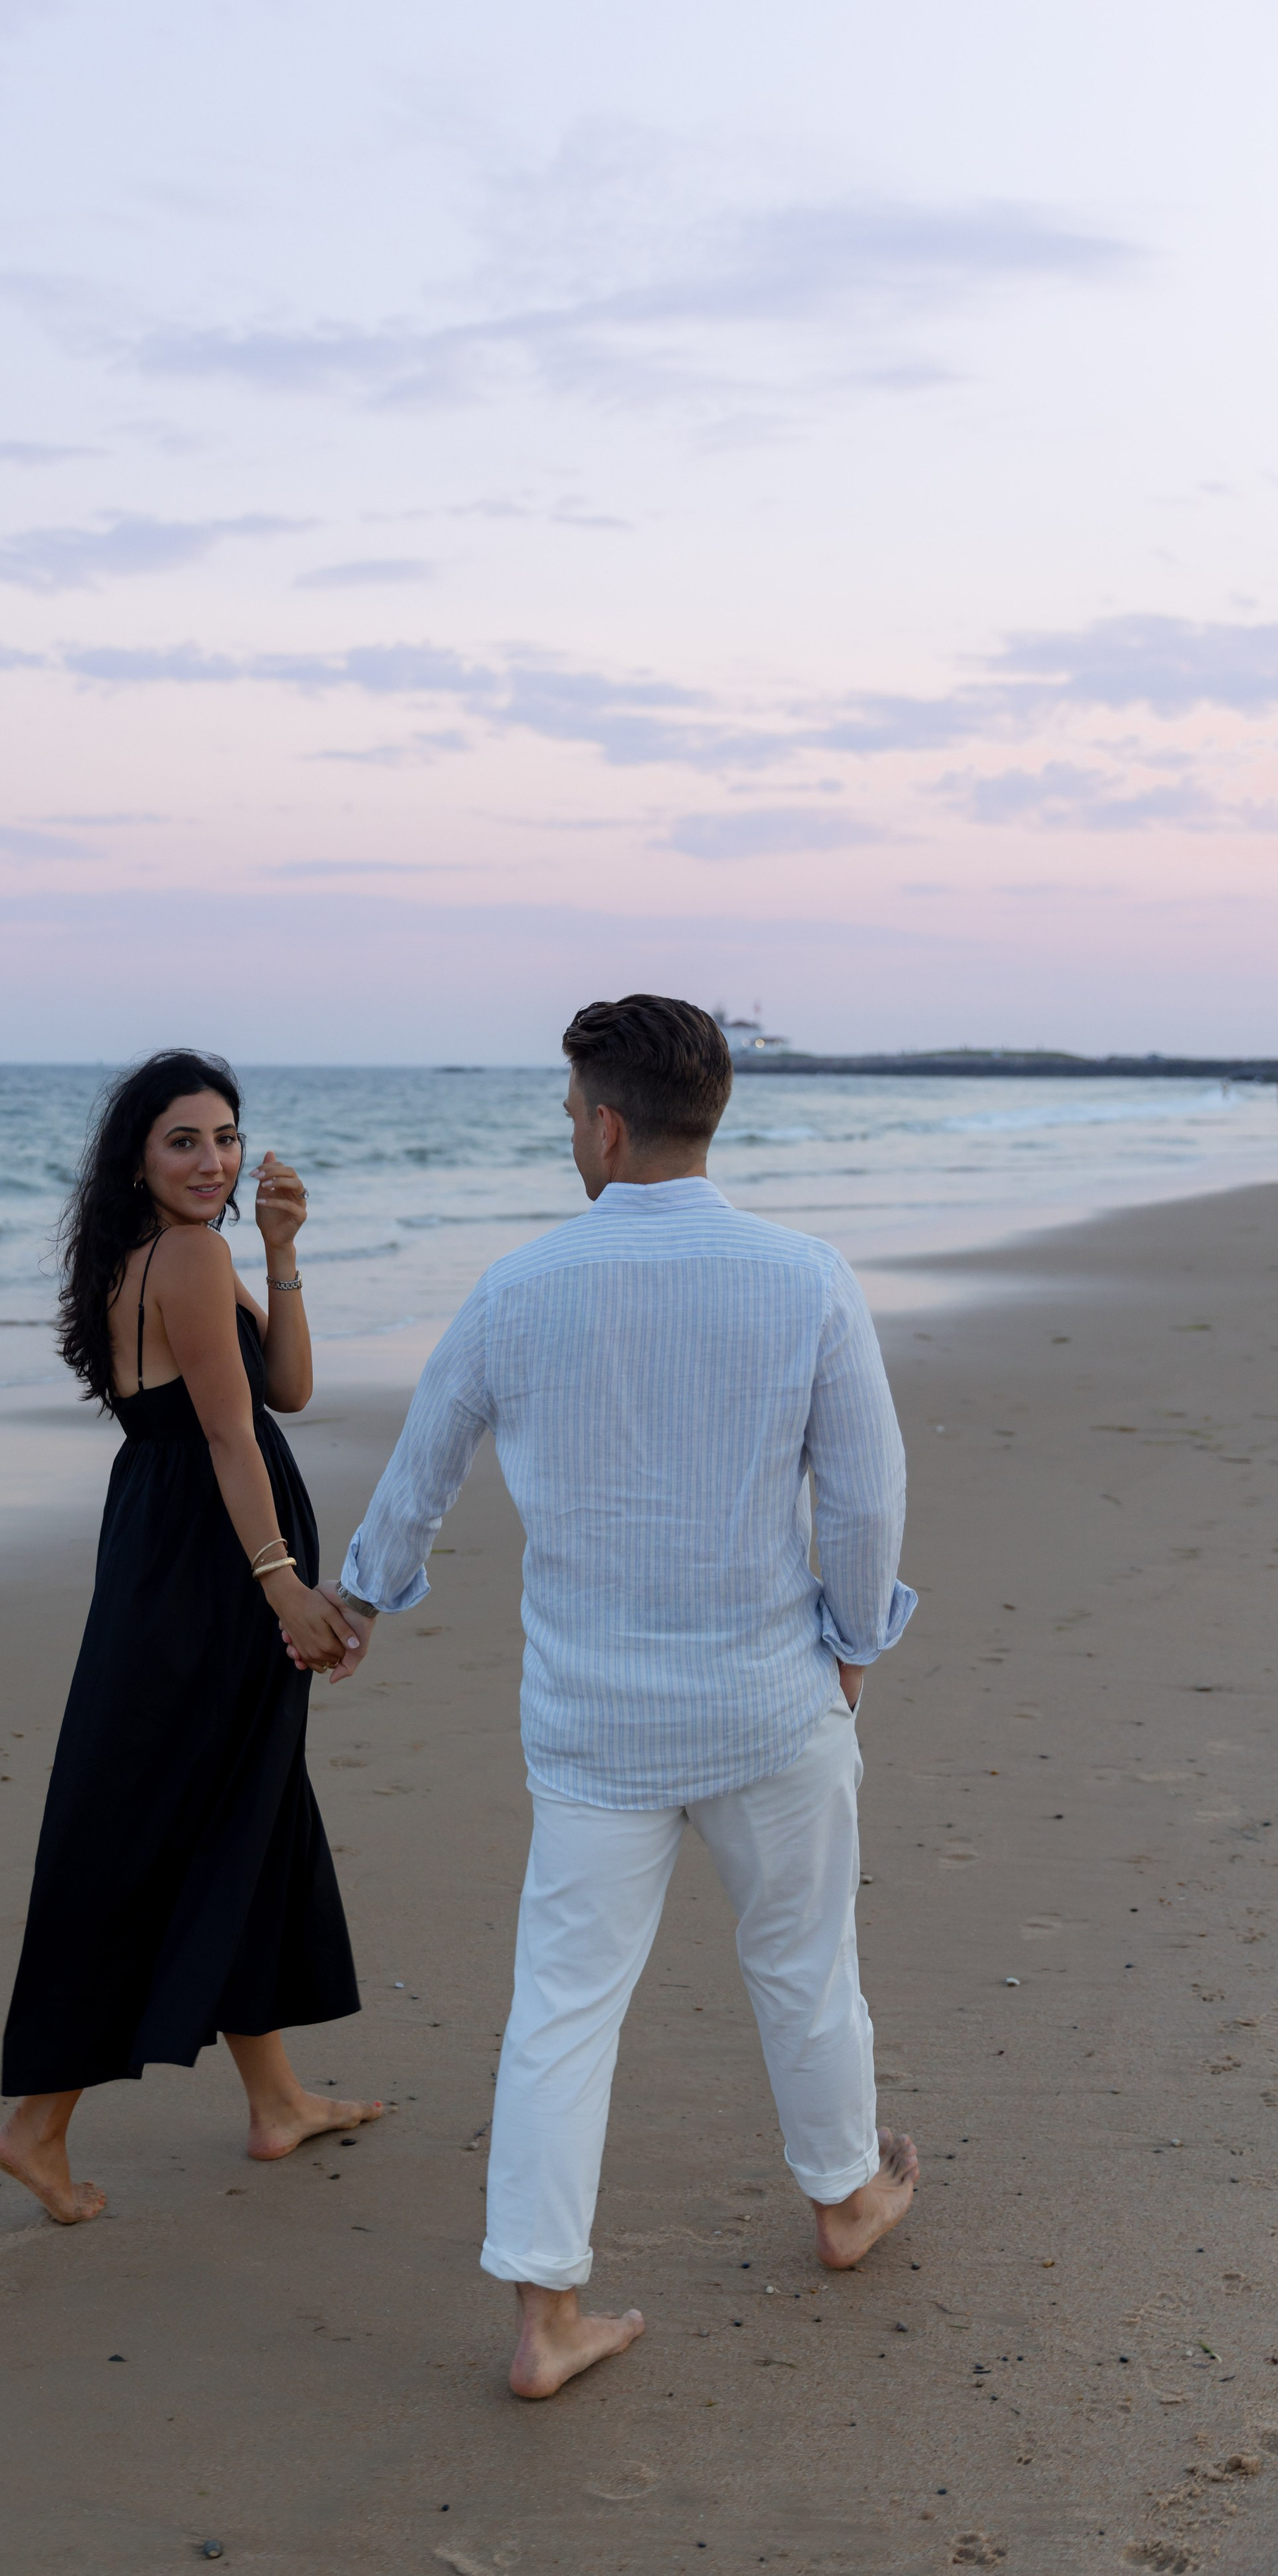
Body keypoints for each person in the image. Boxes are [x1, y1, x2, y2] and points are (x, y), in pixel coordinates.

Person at [317, 996, 919, 2396]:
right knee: (803, 1959)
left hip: (591, 1725)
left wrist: (360, 1597)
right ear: (707, 1111)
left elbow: (419, 1475)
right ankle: (842, 2195)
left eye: (566, 1115)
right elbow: (865, 1491)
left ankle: (543, 2314)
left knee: (562, 2006)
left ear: (599, 1119)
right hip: (770, 1701)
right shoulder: (804, 1275)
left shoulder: (517, 1286)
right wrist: (850, 1640)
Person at [0, 1050, 376, 2225]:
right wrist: (285, 1588)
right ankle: (36, 2122)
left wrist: (284, 1251)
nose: (213, 1160)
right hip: (209, 1571)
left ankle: (277, 2100)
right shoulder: (184, 1257)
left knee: (245, 1807)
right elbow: (228, 1439)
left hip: (174, 1555)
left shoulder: (170, 1253)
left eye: (226, 1137)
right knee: (157, 1823)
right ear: (138, 1156)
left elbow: (288, 1392)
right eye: (184, 1141)